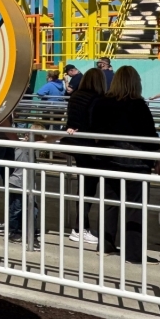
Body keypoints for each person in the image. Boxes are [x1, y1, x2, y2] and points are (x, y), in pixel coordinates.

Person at [88, 66, 160, 264]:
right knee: (135, 208)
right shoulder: (138, 104)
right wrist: (157, 156)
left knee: (109, 204)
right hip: (135, 162)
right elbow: (149, 134)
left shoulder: (101, 102)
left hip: (107, 159)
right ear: (135, 83)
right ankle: (133, 253)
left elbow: (94, 128)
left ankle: (106, 245)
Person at [63, 67, 108, 247]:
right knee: (89, 187)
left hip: (77, 144)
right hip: (91, 147)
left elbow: (72, 121)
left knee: (84, 186)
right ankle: (80, 227)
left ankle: (80, 226)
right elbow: (96, 123)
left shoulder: (75, 96)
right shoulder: (98, 99)